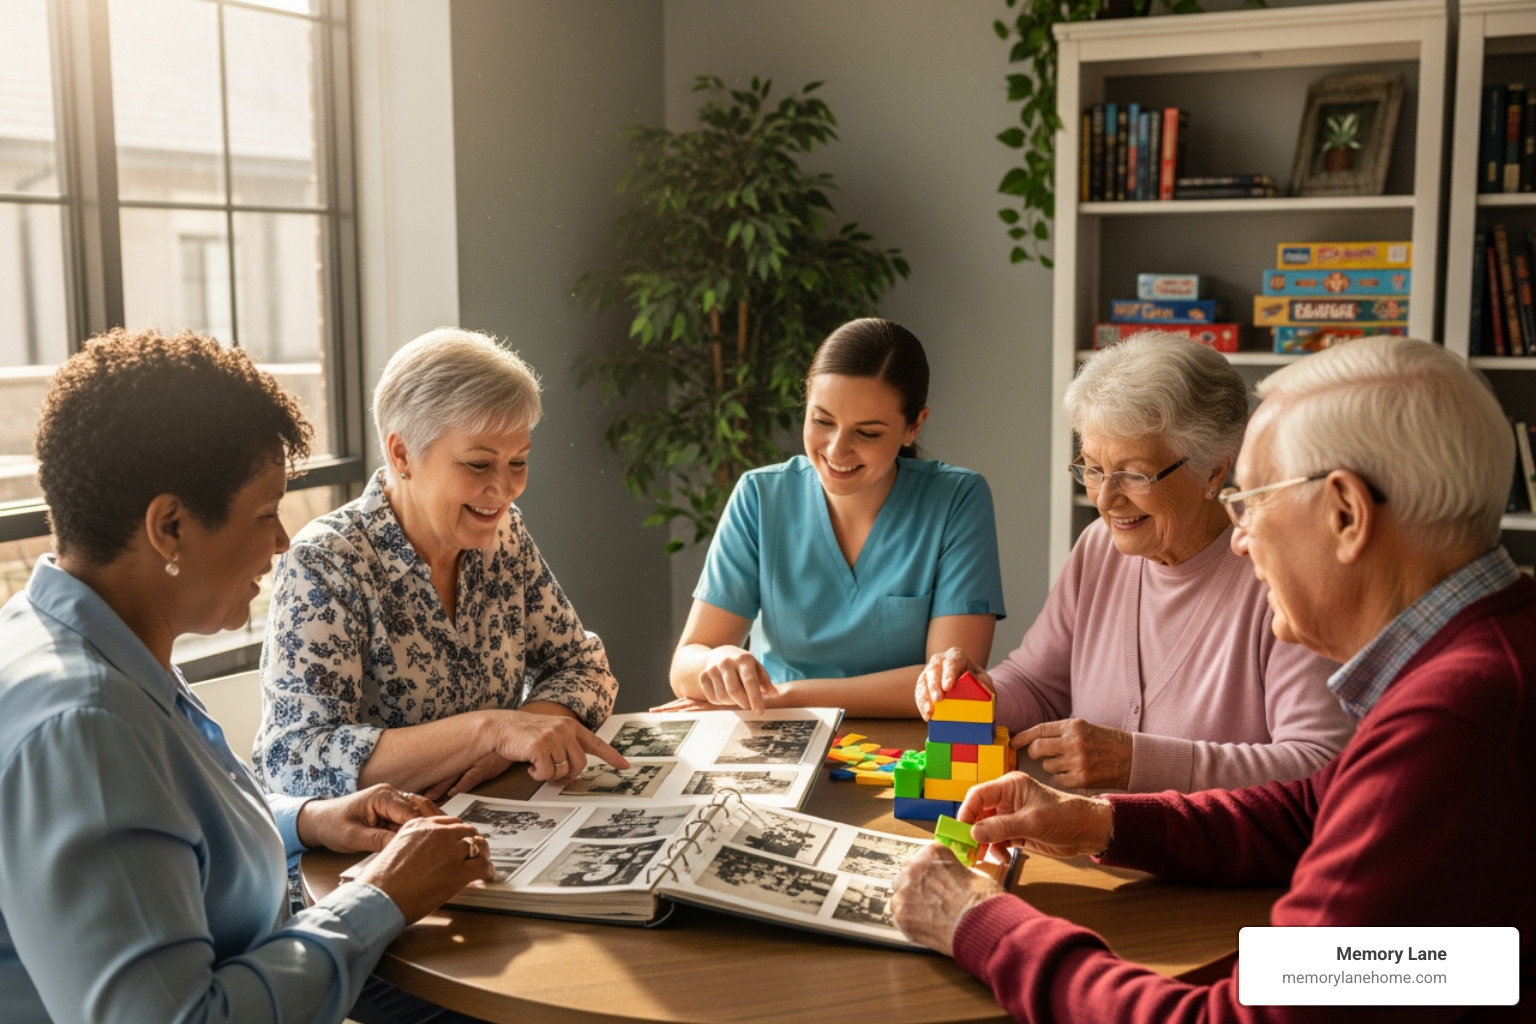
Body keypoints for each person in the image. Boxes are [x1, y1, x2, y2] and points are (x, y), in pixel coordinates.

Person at [892, 336, 1534, 1021]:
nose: (1239, 536)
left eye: (1253, 500)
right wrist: (1102, 823)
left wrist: (982, 925)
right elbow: (1316, 817)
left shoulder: (1453, 723)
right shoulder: (1488, 659)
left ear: (1345, 513)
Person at [0, 328, 497, 1024]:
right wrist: (382, 895)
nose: (281, 542)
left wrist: (312, 820)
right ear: (168, 526)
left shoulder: (78, 640)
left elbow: (174, 834)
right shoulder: (86, 727)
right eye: (266, 514)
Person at [919, 331, 1351, 792]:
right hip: (1091, 847)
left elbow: (1318, 764)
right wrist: (975, 692)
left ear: (1214, 469)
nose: (1106, 499)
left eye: (1133, 474)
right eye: (1092, 468)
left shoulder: (1280, 572)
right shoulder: (1099, 548)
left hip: (1207, 860)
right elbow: (1039, 683)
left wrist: (1135, 761)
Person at [254, 328, 626, 802]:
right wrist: (491, 731)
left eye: (518, 462)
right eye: (478, 464)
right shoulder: (327, 562)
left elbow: (582, 666)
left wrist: (516, 737)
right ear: (402, 452)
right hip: (361, 860)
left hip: (489, 820)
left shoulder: (504, 535)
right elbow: (296, 760)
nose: (505, 489)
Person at [669, 318, 1006, 717]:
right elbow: (686, 664)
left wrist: (787, 695)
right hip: (777, 736)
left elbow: (947, 686)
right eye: (822, 421)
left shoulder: (957, 499)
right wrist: (717, 662)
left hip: (899, 751)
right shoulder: (760, 495)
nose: (836, 450)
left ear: (913, 426)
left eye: (867, 433)